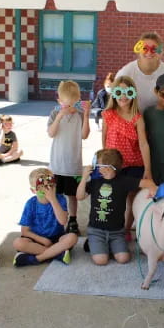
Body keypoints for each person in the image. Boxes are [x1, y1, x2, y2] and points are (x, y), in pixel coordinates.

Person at [76, 149, 157, 265]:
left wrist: (153, 189)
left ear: (108, 167)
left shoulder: (123, 181)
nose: (96, 167)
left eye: (98, 165)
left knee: (124, 258)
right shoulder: (95, 182)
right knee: (101, 260)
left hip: (117, 232)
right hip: (96, 230)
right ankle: (94, 242)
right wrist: (84, 178)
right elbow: (79, 196)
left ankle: (105, 245)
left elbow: (147, 183)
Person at [102, 75, 152, 242]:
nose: (123, 96)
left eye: (127, 92)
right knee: (113, 198)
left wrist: (147, 170)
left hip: (134, 164)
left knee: (132, 199)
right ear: (114, 93)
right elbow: (104, 141)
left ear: (133, 94)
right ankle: (112, 228)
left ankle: (126, 229)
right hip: (114, 165)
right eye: (119, 91)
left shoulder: (138, 118)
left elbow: (144, 144)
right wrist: (103, 163)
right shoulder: (108, 114)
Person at [47, 80, 90, 235]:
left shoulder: (79, 114)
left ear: (78, 100)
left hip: (73, 165)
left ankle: (72, 220)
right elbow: (51, 133)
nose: (69, 108)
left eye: (72, 104)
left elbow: (85, 135)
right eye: (66, 104)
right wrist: (59, 116)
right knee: (56, 194)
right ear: (59, 100)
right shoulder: (54, 112)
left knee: (72, 195)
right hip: (57, 164)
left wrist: (86, 114)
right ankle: (57, 220)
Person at [12, 168, 78, 267]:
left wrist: (52, 199)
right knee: (18, 243)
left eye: (50, 185)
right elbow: (25, 231)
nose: (48, 190)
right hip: (37, 240)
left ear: (55, 185)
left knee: (72, 237)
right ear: (33, 190)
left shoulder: (60, 199)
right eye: (42, 187)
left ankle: (37, 258)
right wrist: (42, 240)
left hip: (57, 238)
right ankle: (57, 254)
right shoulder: (31, 204)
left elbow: (63, 221)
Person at [116, 32, 164, 112]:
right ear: (138, 50)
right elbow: (115, 98)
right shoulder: (126, 72)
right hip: (131, 119)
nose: (149, 52)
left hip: (158, 117)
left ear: (160, 52)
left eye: (154, 49)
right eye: (145, 48)